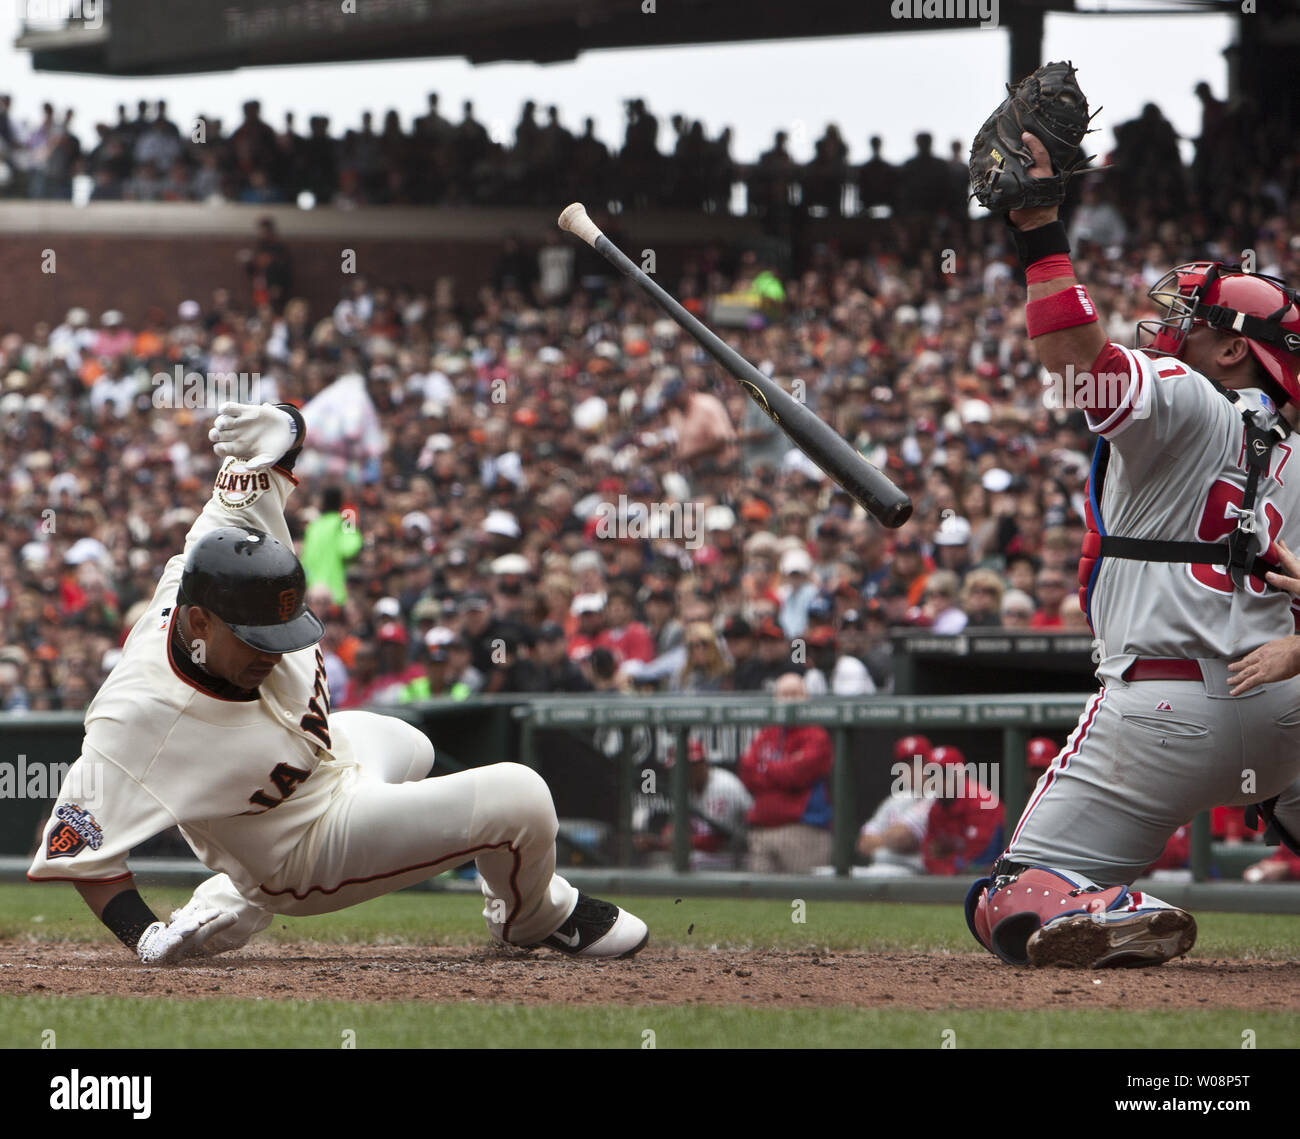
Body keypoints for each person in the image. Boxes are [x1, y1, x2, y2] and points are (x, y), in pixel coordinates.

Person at [27, 402, 648, 964]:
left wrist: (284, 424)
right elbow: (80, 848)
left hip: (332, 763)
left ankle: (226, 899)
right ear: (198, 621)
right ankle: (534, 916)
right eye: (254, 639)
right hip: (300, 850)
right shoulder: (137, 713)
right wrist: (142, 935)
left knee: (415, 745)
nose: (272, 653)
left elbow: (262, 462)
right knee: (521, 795)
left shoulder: (220, 552)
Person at [967, 125, 1300, 970]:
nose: (1169, 327)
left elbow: (1072, 359)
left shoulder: (1189, 393)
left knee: (1009, 895)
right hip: (1287, 712)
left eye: (1188, 319)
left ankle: (1111, 907)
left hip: (1161, 710)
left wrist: (1038, 224)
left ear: (1234, 351)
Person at [738, 673, 832, 873]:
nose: (789, 700)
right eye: (784, 695)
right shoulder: (767, 733)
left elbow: (796, 774)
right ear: (775, 700)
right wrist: (780, 768)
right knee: (760, 901)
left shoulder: (817, 735)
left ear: (807, 699)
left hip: (803, 832)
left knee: (804, 899)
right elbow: (747, 773)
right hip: (762, 831)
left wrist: (766, 768)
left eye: (795, 694)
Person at [855, 735, 932, 876]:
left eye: (917, 763)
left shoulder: (936, 797)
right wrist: (893, 838)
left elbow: (903, 838)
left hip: (917, 872)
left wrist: (882, 839)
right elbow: (864, 843)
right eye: (905, 764)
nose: (910, 770)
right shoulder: (895, 800)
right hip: (884, 868)